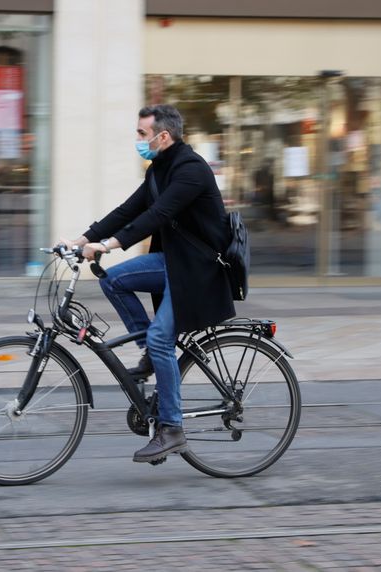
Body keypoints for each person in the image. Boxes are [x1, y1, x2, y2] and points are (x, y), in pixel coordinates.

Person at [61, 104, 235, 464]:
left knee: (161, 336)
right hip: (175, 263)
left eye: (142, 134)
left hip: (198, 271)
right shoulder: (160, 169)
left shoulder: (190, 170)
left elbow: (156, 216)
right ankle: (153, 356)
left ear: (163, 136)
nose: (137, 140)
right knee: (115, 279)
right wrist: (83, 240)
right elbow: (128, 211)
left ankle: (171, 428)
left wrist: (107, 246)